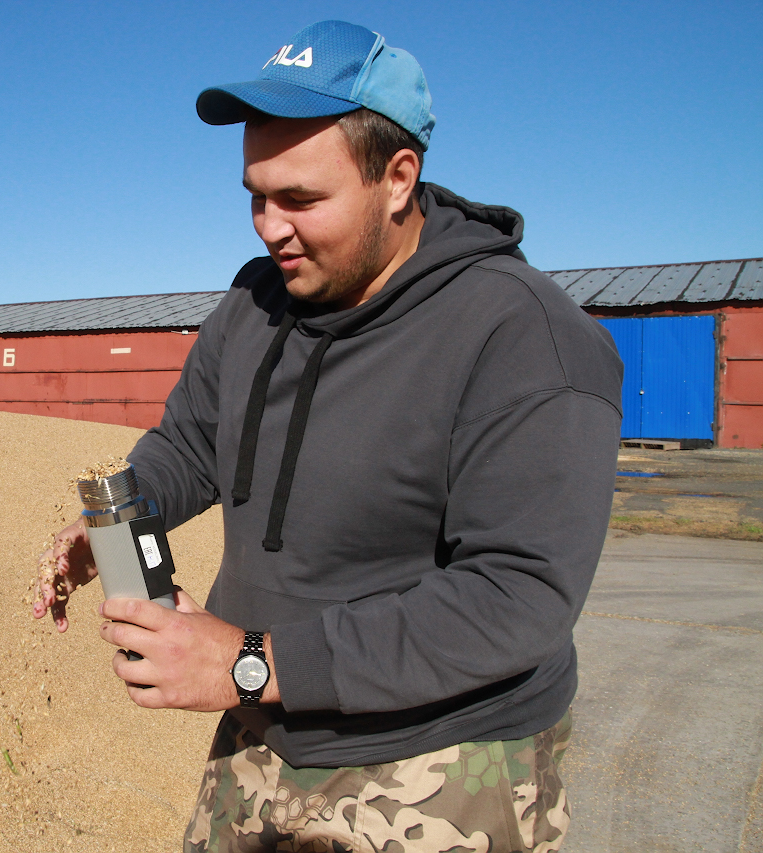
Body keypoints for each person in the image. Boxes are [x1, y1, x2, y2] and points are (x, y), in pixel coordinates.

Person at [33, 20, 622, 853]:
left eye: (301, 199)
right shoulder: (257, 300)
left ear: (398, 178)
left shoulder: (524, 336)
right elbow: (193, 442)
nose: (269, 227)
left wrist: (245, 660)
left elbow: (516, 597)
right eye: (256, 195)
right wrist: (120, 520)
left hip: (442, 758)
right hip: (262, 731)